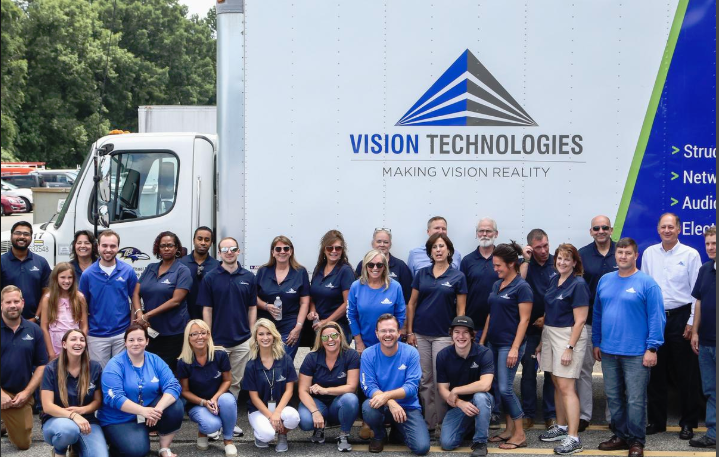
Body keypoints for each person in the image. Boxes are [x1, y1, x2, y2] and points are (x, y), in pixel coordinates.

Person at [593, 237, 665, 457]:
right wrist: (597, 342)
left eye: (628, 253)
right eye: (620, 252)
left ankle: (636, 441)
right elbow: (597, 313)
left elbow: (657, 318)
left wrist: (652, 348)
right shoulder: (605, 280)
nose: (623, 256)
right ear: (615, 255)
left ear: (636, 255)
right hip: (608, 351)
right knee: (613, 397)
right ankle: (621, 436)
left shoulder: (647, 283)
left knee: (635, 400)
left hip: (636, 354)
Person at [641, 213, 702, 439]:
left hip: (681, 316)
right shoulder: (649, 254)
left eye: (671, 227)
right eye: (663, 227)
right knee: (655, 372)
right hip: (656, 317)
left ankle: (688, 423)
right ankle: (657, 422)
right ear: (658, 230)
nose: (667, 230)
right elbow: (644, 289)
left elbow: (697, 293)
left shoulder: (690, 254)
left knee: (685, 373)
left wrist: (690, 322)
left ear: (679, 229)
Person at [406, 233, 467, 434]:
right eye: (434, 247)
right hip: (421, 334)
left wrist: (457, 336)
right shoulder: (422, 274)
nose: (438, 250)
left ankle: (443, 424)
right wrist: (410, 331)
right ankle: (429, 424)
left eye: (442, 246)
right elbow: (412, 304)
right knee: (424, 380)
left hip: (443, 335)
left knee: (442, 381)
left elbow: (461, 311)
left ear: (449, 250)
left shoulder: (457, 276)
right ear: (430, 252)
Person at [98, 324, 183, 457]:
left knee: (175, 405)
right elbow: (114, 397)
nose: (135, 343)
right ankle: (114, 442)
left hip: (148, 414)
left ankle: (164, 448)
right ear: (125, 342)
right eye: (131, 340)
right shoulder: (115, 365)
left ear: (147, 341)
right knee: (138, 451)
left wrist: (158, 409)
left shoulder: (155, 360)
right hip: (120, 419)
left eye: (140, 339)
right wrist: (143, 411)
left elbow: (173, 385)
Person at [537, 244, 590, 455]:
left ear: (575, 263)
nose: (562, 262)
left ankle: (574, 438)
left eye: (567, 259)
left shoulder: (578, 284)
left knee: (567, 387)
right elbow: (548, 313)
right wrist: (543, 341)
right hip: (550, 334)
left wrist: (570, 347)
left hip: (568, 336)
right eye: (559, 258)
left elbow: (580, 321)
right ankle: (560, 426)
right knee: (557, 383)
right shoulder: (554, 279)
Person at [480, 242, 532, 450]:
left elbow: (524, 320)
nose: (496, 269)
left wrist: (514, 348)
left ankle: (519, 434)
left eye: (498, 265)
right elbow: (491, 314)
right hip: (493, 343)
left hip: (509, 345)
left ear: (511, 264)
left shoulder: (522, 287)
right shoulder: (497, 284)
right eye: (494, 265)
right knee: (500, 390)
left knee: (506, 388)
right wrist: (483, 341)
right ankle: (509, 430)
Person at [361, 314, 430, 455]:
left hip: (407, 407)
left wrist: (387, 396)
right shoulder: (368, 354)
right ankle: (379, 435)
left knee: (422, 448)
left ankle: (398, 430)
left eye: (392, 330)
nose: (388, 334)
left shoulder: (411, 353)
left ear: (399, 333)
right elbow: (368, 386)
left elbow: (412, 387)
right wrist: (391, 402)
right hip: (381, 405)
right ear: (376, 333)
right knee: (368, 407)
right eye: (383, 331)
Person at [199, 236, 257, 400]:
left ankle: (229, 417)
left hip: (242, 340)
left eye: (232, 249)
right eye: (224, 250)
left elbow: (252, 307)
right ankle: (216, 418)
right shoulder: (210, 277)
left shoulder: (249, 277)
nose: (229, 252)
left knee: (235, 382)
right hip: (217, 341)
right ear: (219, 253)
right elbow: (207, 310)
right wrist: (207, 336)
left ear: (239, 251)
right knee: (216, 381)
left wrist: (252, 334)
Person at [577, 215, 617, 431]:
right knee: (584, 370)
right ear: (591, 231)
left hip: (615, 323)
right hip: (589, 321)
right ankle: (584, 415)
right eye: (596, 228)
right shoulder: (582, 255)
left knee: (612, 371)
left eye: (604, 227)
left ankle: (613, 417)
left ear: (611, 229)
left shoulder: (620, 252)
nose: (600, 231)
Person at [40, 329, 107, 457]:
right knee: (68, 430)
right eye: (73, 339)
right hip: (57, 420)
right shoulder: (51, 368)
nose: (78, 343)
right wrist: (73, 415)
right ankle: (59, 451)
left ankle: (76, 448)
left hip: (87, 420)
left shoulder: (94, 367)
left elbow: (97, 401)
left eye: (82, 340)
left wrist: (82, 410)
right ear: (64, 344)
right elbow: (47, 406)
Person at [132, 231, 191, 372]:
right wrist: (139, 313)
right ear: (158, 248)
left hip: (173, 333)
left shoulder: (182, 271)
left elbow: (176, 300)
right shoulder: (150, 268)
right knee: (150, 369)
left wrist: (147, 315)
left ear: (177, 248)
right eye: (163, 246)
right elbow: (135, 292)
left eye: (170, 245)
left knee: (169, 371)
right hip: (150, 331)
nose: (166, 248)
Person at [177, 320, 238, 457]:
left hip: (219, 398)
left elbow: (227, 380)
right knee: (212, 426)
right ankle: (202, 431)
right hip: (197, 404)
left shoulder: (220, 355)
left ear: (208, 335)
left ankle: (228, 440)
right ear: (189, 338)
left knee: (228, 401)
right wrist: (204, 402)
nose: (200, 337)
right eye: (194, 334)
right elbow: (185, 391)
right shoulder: (183, 361)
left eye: (203, 333)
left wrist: (215, 399)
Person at [436, 316, 494, 457]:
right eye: (457, 332)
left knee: (480, 397)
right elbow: (442, 389)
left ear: (472, 335)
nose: (460, 336)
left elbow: (485, 385)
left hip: (481, 400)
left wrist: (456, 390)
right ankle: (471, 426)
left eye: (465, 332)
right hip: (457, 405)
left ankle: (480, 443)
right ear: (451, 334)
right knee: (447, 444)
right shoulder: (443, 356)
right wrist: (460, 403)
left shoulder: (484, 353)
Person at [79, 230, 138, 368]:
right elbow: (82, 305)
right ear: (98, 247)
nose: (108, 250)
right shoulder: (88, 275)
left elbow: (134, 299)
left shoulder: (128, 271)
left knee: (122, 372)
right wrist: (85, 330)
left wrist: (131, 328)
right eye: (104, 246)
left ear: (118, 248)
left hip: (122, 333)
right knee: (99, 376)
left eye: (113, 246)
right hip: (96, 335)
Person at [298, 321, 360, 452]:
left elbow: (351, 387)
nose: (330, 340)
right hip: (317, 402)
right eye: (325, 337)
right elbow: (302, 390)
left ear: (340, 336)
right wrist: (315, 412)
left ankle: (343, 435)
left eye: (334, 335)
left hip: (338, 403)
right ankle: (319, 428)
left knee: (351, 399)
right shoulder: (311, 357)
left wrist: (325, 390)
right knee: (305, 421)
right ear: (320, 340)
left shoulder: (351, 355)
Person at [0, 285, 49, 451]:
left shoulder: (34, 330)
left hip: (19, 395)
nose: (13, 305)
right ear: (1, 305)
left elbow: (42, 364)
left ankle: (7, 421)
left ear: (23, 303)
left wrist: (27, 393)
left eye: (16, 301)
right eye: (8, 302)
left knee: (23, 444)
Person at [242, 319, 300, 452]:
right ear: (256, 337)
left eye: (268, 333)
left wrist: (277, 413)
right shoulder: (251, 364)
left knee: (294, 417)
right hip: (259, 410)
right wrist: (270, 415)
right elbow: (254, 397)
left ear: (274, 336)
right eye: (261, 334)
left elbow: (289, 390)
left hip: (281, 406)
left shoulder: (285, 359)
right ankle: (261, 434)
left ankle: (282, 435)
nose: (265, 337)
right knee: (267, 435)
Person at [519, 228, 557, 429]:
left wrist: (547, 318)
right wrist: (525, 260)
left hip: (552, 327)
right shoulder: (526, 265)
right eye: (538, 248)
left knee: (551, 371)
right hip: (530, 329)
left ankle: (550, 414)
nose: (543, 251)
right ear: (530, 248)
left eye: (546, 246)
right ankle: (528, 413)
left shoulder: (557, 262)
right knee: (528, 373)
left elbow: (564, 295)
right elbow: (518, 283)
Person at [256, 236, 310, 360]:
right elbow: (253, 297)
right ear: (273, 252)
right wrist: (266, 306)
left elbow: (304, 303)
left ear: (291, 251)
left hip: (290, 325)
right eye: (278, 249)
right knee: (265, 360)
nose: (282, 252)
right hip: (266, 324)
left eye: (286, 248)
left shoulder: (300, 272)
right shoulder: (263, 271)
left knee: (284, 360)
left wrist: (298, 327)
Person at [347, 249, 406, 354]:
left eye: (379, 265)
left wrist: (393, 338)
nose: (375, 268)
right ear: (365, 266)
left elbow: (401, 315)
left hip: (390, 343)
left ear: (384, 267)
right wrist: (359, 341)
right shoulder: (356, 286)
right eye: (371, 265)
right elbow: (351, 315)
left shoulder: (395, 287)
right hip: (364, 344)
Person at [689, 226, 716, 448]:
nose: (710, 247)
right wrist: (695, 331)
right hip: (706, 341)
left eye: (714, 243)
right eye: (708, 243)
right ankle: (713, 433)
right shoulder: (705, 269)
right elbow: (698, 301)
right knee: (710, 389)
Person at [308, 230, 355, 342]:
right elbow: (313, 295)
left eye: (338, 248)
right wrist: (312, 311)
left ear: (342, 250)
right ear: (324, 250)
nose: (334, 251)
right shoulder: (319, 268)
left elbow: (347, 303)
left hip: (338, 327)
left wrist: (327, 321)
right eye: (330, 248)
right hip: (319, 326)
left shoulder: (345, 271)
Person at [1, 221, 52, 321]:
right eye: (18, 233)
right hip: (5, 323)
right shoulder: (2, 262)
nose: (22, 236)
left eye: (26, 234)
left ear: (31, 238)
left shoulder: (41, 262)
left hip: (34, 322)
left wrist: (36, 317)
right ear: (11, 236)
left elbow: (46, 294)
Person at [460, 218, 500, 343]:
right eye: (481, 231)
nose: (484, 234)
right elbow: (462, 293)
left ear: (496, 234)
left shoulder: (503, 259)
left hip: (498, 324)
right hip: (474, 325)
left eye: (488, 231)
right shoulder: (467, 261)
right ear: (477, 233)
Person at [40, 263, 88, 360]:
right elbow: (44, 327)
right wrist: (51, 352)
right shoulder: (48, 299)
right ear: (56, 278)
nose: (66, 281)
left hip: (74, 343)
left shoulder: (79, 297)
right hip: (55, 343)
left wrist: (80, 344)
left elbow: (84, 326)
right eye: (62, 277)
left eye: (69, 277)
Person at [355, 228, 413, 303]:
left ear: (390, 244)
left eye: (386, 242)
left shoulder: (400, 266)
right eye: (379, 241)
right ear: (372, 243)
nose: (382, 245)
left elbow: (407, 296)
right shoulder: (363, 264)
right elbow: (357, 290)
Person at [179, 226, 221, 320]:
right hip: (184, 319)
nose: (203, 243)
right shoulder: (181, 263)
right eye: (199, 239)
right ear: (194, 240)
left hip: (210, 318)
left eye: (207, 240)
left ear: (211, 243)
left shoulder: (217, 266)